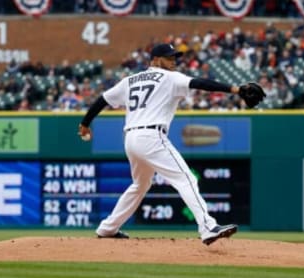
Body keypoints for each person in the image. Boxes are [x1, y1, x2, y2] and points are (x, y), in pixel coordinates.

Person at [78, 43, 264, 245]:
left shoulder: (129, 80)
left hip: (131, 139)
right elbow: (200, 83)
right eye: (169, 57)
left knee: (140, 185)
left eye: (175, 57)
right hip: (151, 136)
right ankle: (208, 227)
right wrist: (235, 89)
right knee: (187, 179)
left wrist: (85, 124)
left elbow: (102, 100)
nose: (174, 61)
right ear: (156, 60)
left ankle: (108, 228)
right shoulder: (170, 77)